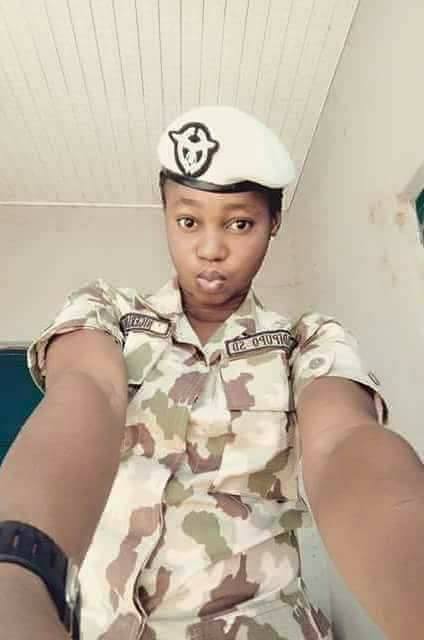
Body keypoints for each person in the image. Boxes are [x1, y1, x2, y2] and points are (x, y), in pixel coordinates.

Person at [0, 106, 423, 640]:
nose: (210, 249)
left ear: (274, 224)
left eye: (240, 223)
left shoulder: (306, 342)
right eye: (188, 221)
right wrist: (17, 572)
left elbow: (343, 442)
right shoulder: (108, 311)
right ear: (165, 216)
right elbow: (89, 393)